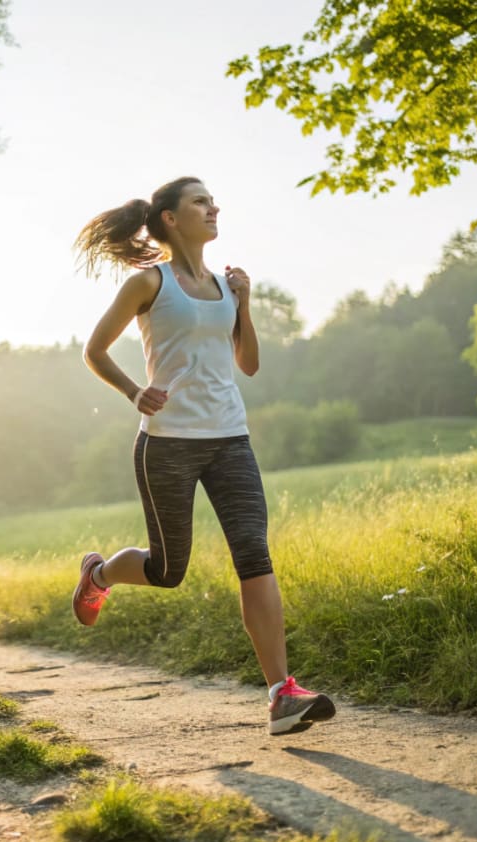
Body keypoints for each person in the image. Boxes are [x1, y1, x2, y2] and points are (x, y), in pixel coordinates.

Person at [71, 176, 334, 737]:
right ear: (169, 218)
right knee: (168, 571)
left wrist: (246, 303)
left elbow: (249, 364)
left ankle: (282, 696)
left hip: (229, 438)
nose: (214, 208)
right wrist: (133, 391)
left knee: (253, 553)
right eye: (200, 202)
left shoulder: (224, 285)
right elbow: (94, 350)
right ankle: (99, 573)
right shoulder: (148, 283)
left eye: (213, 201)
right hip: (166, 443)